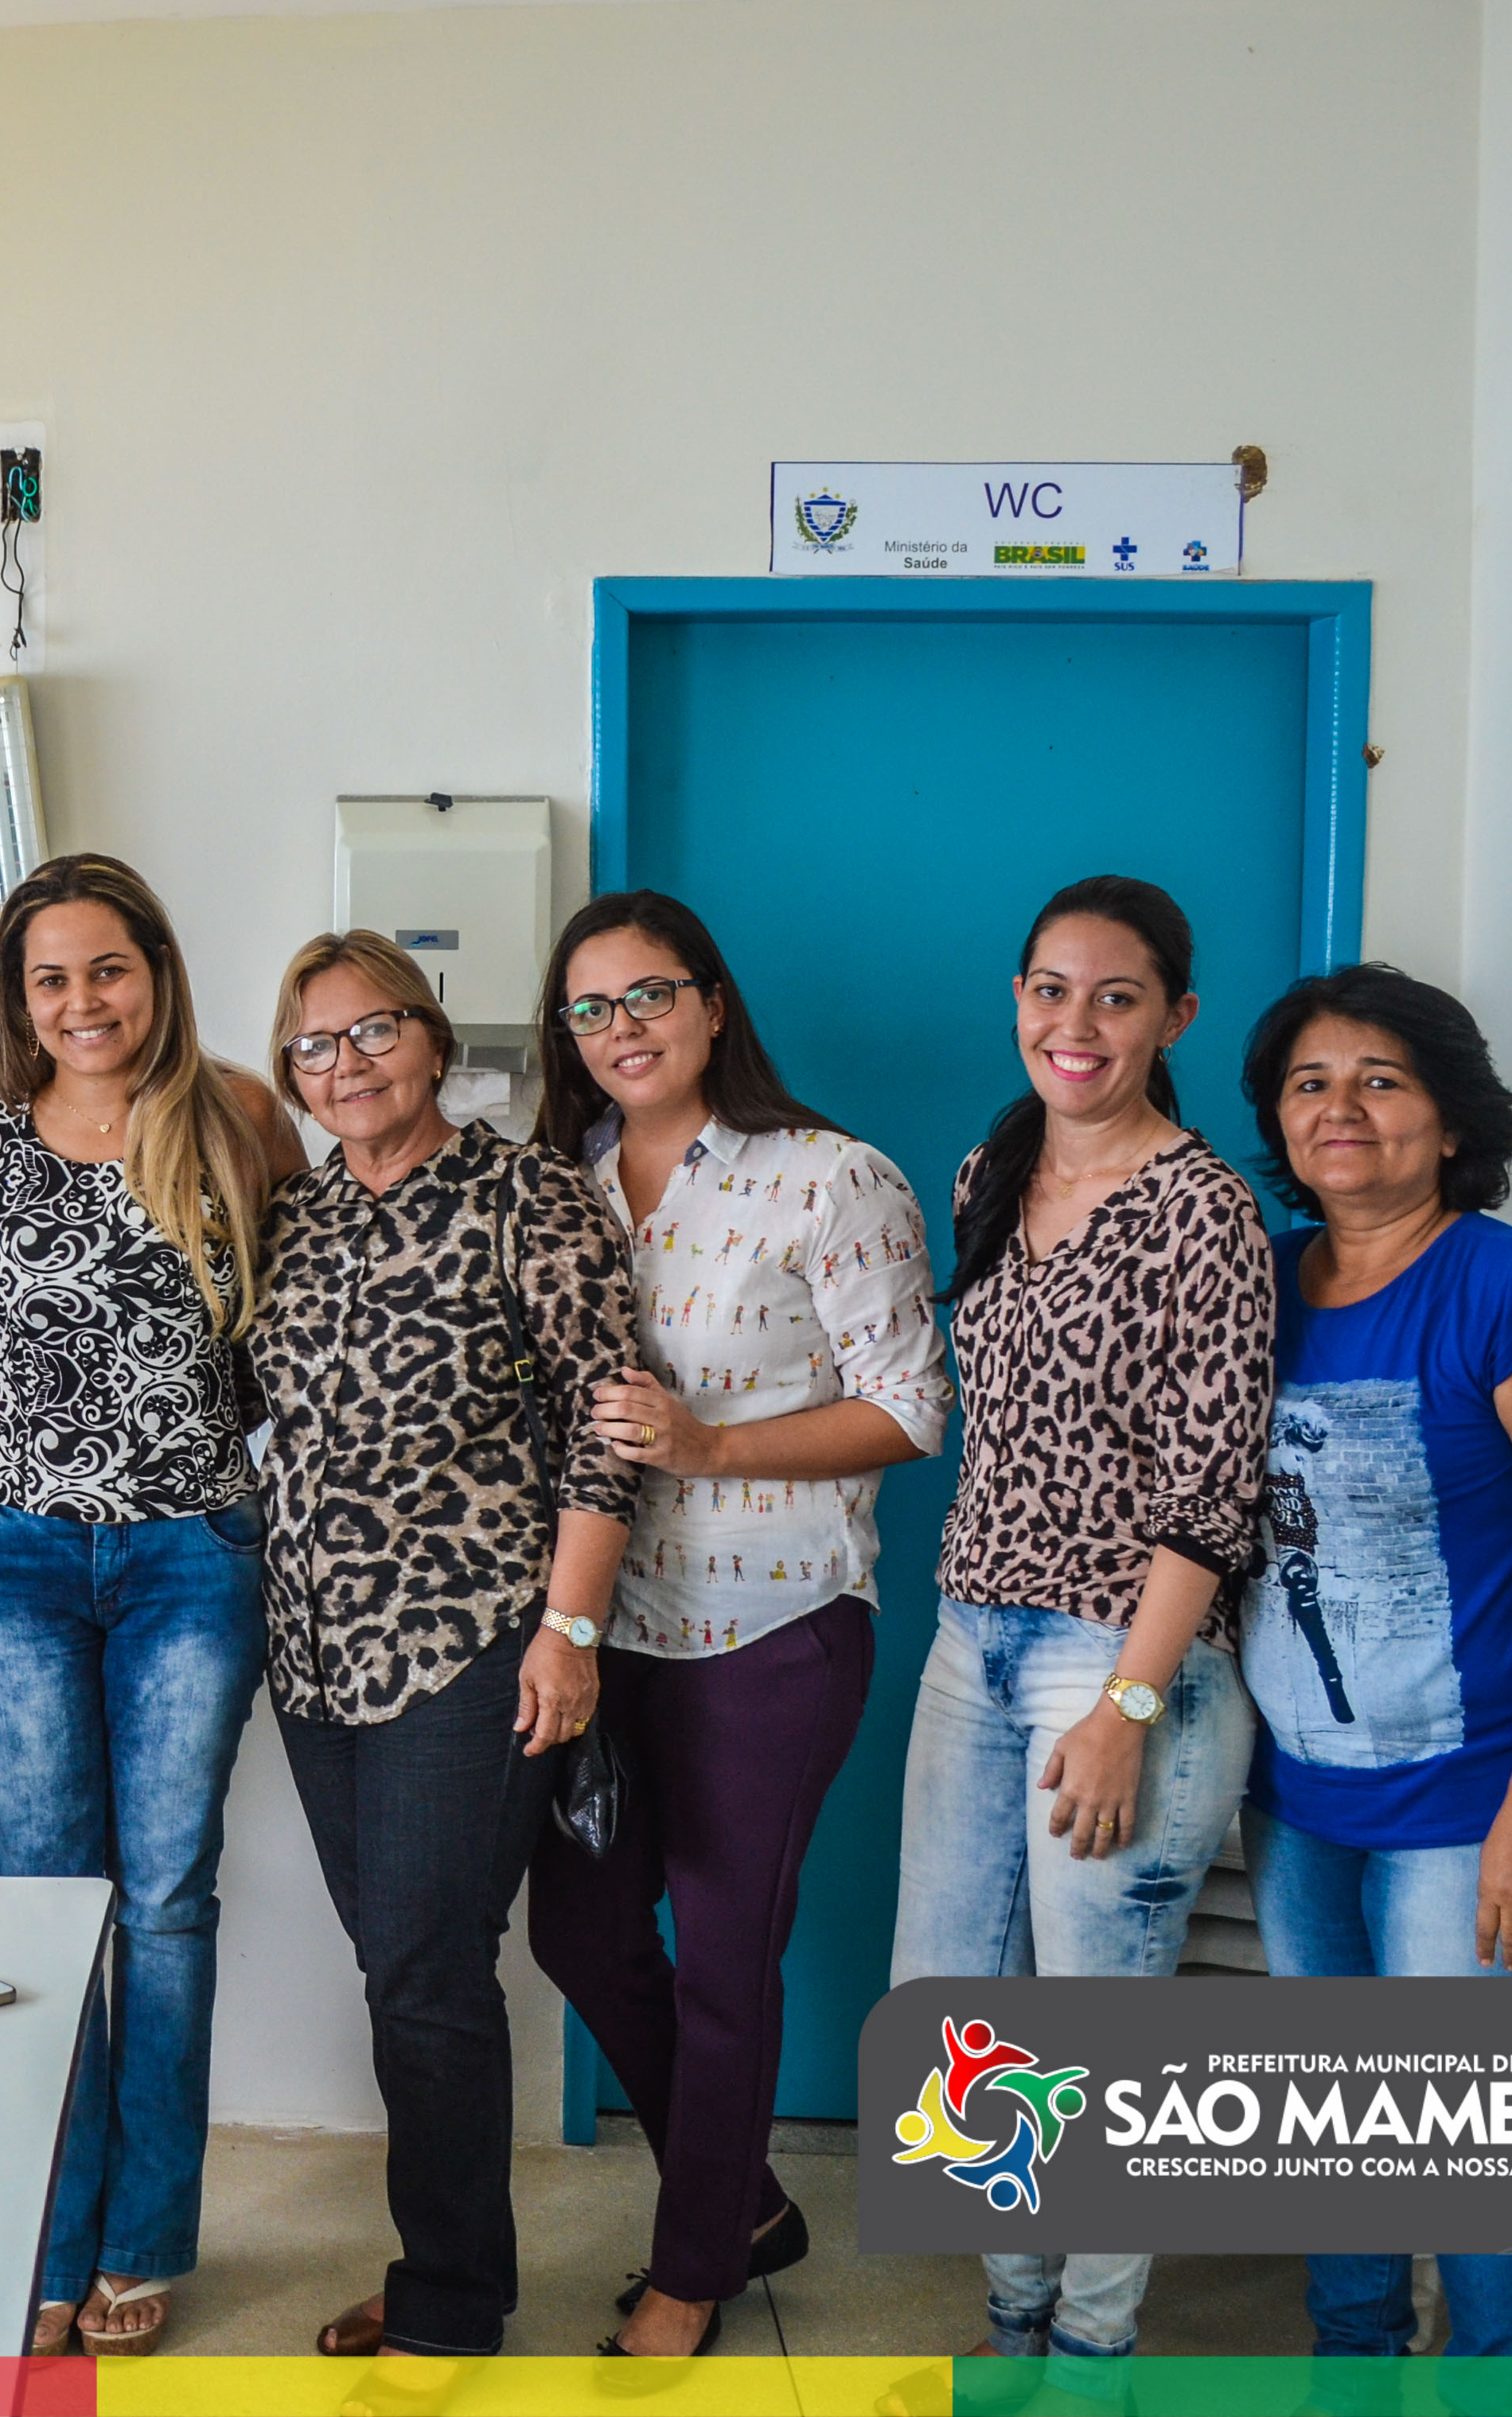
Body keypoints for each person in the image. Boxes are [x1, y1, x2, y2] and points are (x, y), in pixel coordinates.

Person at [520, 891, 953, 2360]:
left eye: (650, 994)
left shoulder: (830, 1176)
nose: (622, 1028)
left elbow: (909, 1408)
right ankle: (746, 2200)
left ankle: (694, 2268)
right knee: (581, 1931)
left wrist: (708, 1447)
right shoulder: (557, 1184)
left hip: (769, 1627)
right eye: (591, 1008)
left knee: (722, 1956)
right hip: (599, 1626)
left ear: (711, 1005)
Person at [0, 855, 306, 2358]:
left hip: (194, 1552)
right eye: (49, 977)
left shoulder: (239, 1114)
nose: (82, 1002)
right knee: (41, 1898)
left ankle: (140, 2237)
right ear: (18, 997)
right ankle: (46, 2232)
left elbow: (310, 1316)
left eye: (107, 968)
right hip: (15, 1560)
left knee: (168, 1898)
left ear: (157, 972)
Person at [1232, 965, 1512, 2360]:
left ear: (1452, 1120)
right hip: (1301, 1807)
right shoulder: (1258, 1288)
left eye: (1380, 1080)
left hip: (1477, 1809)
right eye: (1309, 1083)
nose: (1339, 1108)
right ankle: (1351, 2370)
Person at [241, 931, 641, 2366]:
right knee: (406, 1967)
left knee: (422, 1971)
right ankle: (453, 2267)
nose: (346, 1063)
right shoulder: (291, 1216)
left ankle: (452, 2302)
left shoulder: (527, 1194)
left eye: (375, 1031)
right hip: (312, 1652)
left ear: (432, 1039)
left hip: (470, 1639)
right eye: (314, 1045)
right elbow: (240, 1397)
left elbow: (607, 1422)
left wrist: (568, 1632)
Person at [891, 875, 1276, 2368]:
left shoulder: (1205, 1211)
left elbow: (1212, 1490)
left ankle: (1091, 2356)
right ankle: (1016, 2322)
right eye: (1052, 989)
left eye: (1118, 997)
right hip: (971, 1640)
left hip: (1121, 1659)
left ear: (1174, 1019)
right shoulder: (990, 1168)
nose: (1078, 1023)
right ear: (1018, 999)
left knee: (1099, 2041)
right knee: (952, 2016)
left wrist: (1127, 1706)